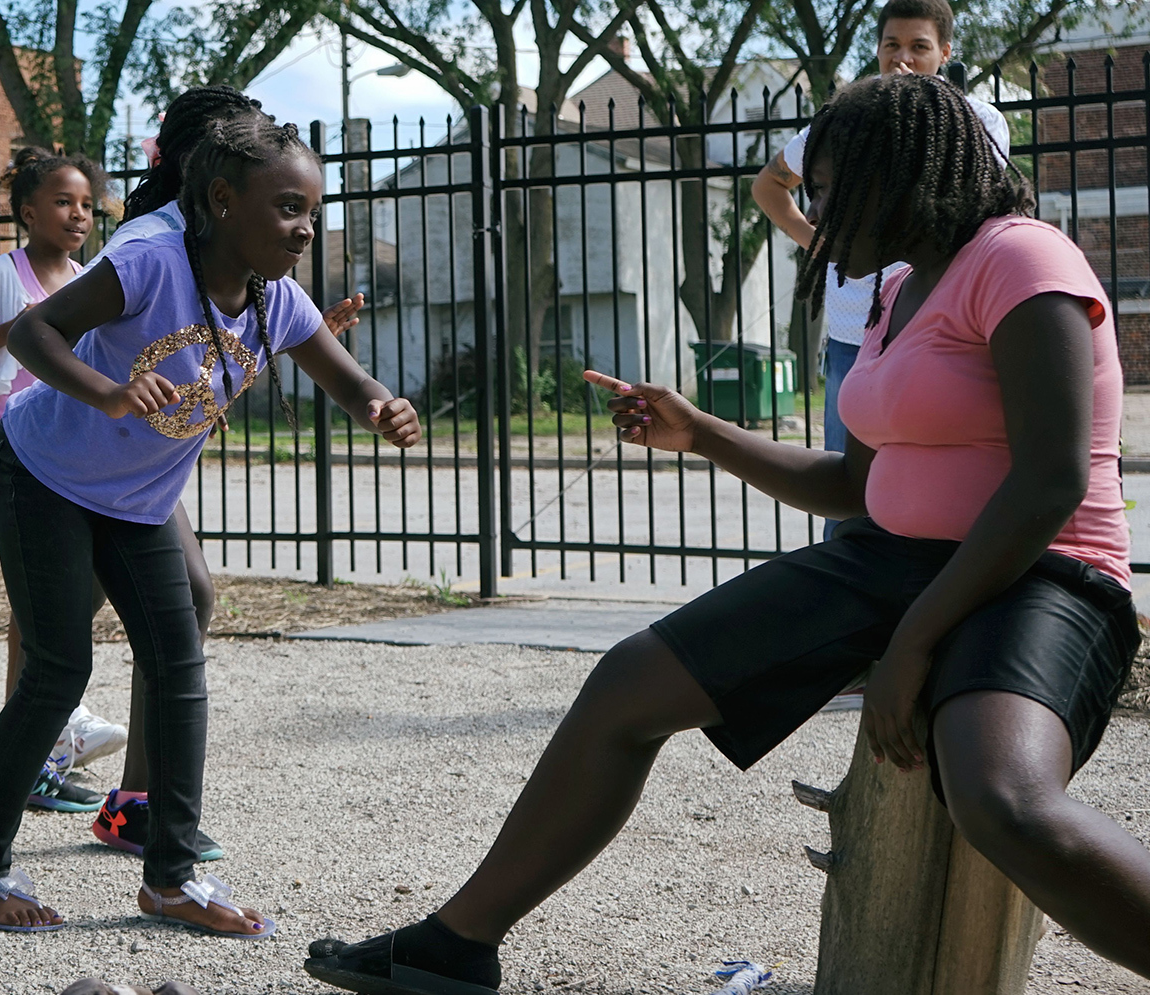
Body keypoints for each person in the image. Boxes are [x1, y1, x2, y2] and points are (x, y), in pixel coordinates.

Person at [304, 74, 1149, 993]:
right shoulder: (897, 290)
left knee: (1001, 798)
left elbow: (1051, 480)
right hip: (889, 561)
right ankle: (456, 944)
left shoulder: (1024, 259)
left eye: (827, 184)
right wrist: (700, 430)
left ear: (897, 171)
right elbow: (851, 485)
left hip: (1040, 571)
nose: (814, 206)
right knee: (628, 683)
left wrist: (915, 642)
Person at [0, 114, 420, 937]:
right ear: (223, 201)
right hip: (42, 474)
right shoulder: (151, 263)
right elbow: (31, 330)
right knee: (59, 667)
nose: (306, 229)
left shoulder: (278, 300)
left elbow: (349, 382)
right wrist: (108, 390)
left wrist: (383, 407)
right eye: (288, 208)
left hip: (136, 502)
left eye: (313, 211)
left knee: (177, 661)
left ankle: (171, 878)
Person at [75, 85, 364, 862]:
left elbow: (220, 355)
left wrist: (303, 334)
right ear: (217, 184)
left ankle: (135, 803)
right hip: (81, 457)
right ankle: (36, 765)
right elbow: (73, 340)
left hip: (144, 470)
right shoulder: (153, 244)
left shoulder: (253, 261)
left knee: (180, 604)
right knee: (62, 633)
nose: (298, 224)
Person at [751, 0, 1009, 540]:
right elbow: (770, 185)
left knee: (943, 485)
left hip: (942, 326)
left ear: (945, 52)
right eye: (891, 44)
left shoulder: (974, 120)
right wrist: (814, 240)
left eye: (919, 45)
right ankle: (850, 599)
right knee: (850, 494)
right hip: (855, 334)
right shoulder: (847, 122)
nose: (903, 58)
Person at [0, 145, 128, 815]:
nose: (79, 214)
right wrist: (21, 330)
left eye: (87, 204)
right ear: (28, 210)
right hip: (7, 446)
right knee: (37, 602)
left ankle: (35, 743)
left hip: (70, 451)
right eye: (64, 202)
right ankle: (33, 748)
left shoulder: (92, 278)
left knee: (46, 603)